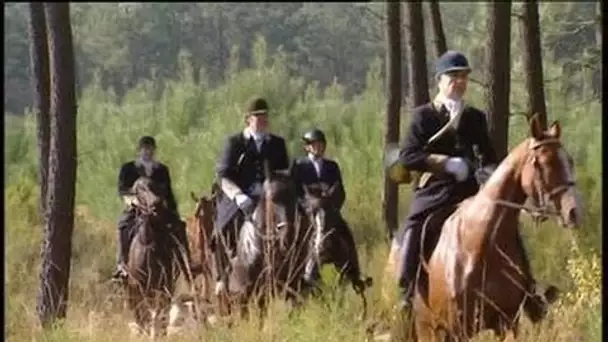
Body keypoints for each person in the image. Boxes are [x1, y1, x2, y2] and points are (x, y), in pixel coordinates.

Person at [395, 50, 549, 312]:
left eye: (464, 76)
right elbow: (407, 156)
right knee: (415, 225)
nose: (460, 81)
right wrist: (446, 163)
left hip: (470, 191)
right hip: (435, 190)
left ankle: (529, 293)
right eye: (453, 76)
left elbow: (489, 158)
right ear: (440, 80)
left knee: (508, 228)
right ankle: (406, 293)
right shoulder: (424, 115)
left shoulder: (475, 116)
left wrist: (487, 175)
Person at [213, 97, 290, 281]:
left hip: (270, 196)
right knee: (221, 231)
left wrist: (274, 190)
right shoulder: (234, 142)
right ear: (248, 119)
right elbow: (224, 176)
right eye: (258, 117)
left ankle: (300, 274)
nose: (263, 120)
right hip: (241, 196)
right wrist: (238, 195)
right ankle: (222, 278)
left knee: (295, 222)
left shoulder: (277, 143)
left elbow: (283, 171)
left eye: (265, 116)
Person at [113, 136, 197, 280]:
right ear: (139, 150)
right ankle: (122, 265)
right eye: (145, 149)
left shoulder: (162, 169)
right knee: (123, 226)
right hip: (136, 208)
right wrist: (133, 201)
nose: (147, 152)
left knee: (179, 226)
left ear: (154, 150)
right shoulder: (128, 168)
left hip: (159, 209)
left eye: (150, 149)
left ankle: (187, 264)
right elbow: (122, 190)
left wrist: (171, 209)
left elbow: (169, 193)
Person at [290, 128, 364, 291]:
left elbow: (340, 190)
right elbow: (295, 192)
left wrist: (334, 206)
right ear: (307, 147)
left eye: (321, 144)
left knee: (346, 233)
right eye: (315, 144)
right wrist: (307, 206)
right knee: (291, 237)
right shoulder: (299, 166)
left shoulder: (332, 166)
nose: (319, 147)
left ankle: (355, 274)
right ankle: (292, 273)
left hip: (329, 210)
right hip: (307, 211)